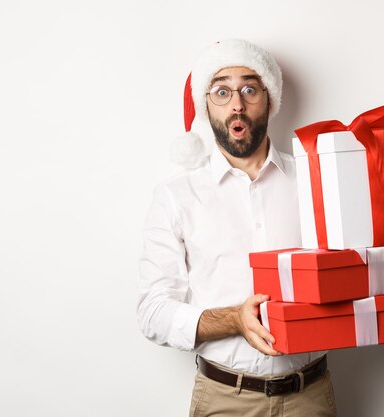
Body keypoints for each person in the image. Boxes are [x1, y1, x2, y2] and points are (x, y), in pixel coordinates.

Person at [137, 39, 337, 417]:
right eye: (221, 91)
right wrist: (233, 319)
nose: (237, 104)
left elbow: (347, 270)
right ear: (206, 105)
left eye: (249, 88)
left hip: (310, 396)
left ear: (270, 98)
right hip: (225, 400)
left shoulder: (316, 183)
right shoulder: (175, 196)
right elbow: (152, 312)